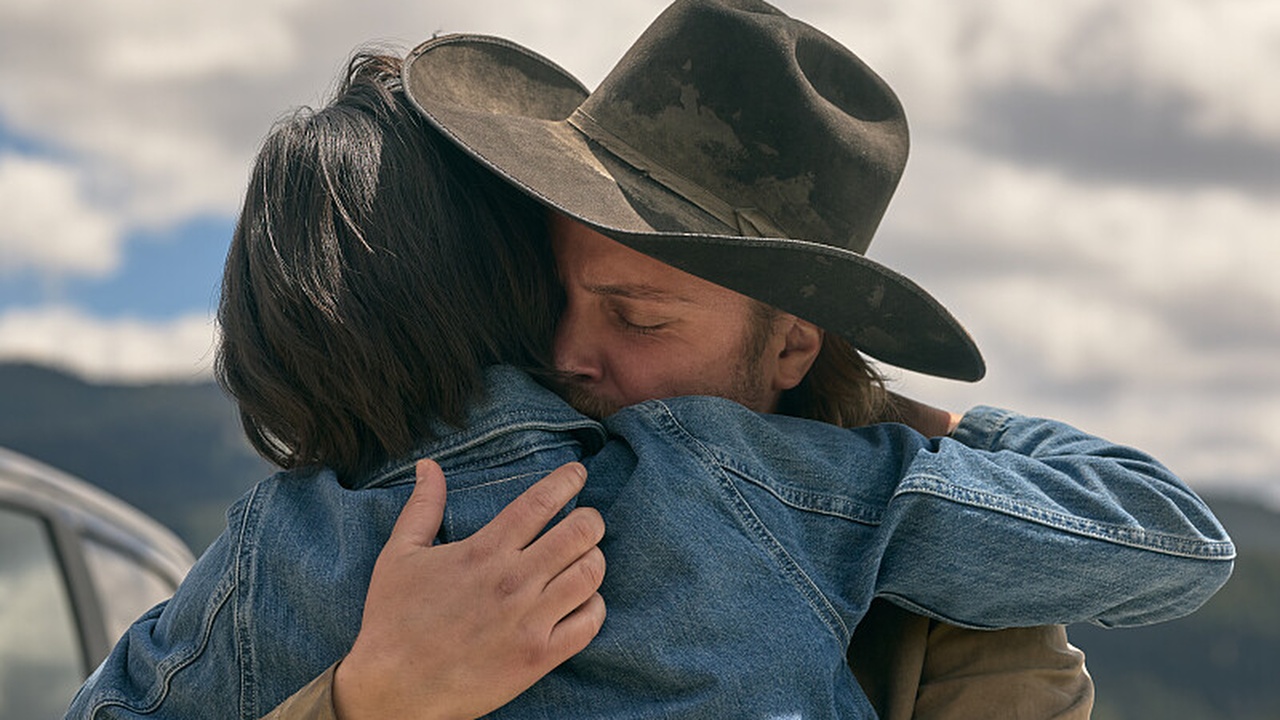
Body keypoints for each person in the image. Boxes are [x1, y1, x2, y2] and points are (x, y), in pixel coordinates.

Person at [67, 26, 1231, 720]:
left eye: (638, 316)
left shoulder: (960, 603)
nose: (570, 356)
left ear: (789, 345)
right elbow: (1163, 539)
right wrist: (374, 698)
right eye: (553, 294)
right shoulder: (799, 488)